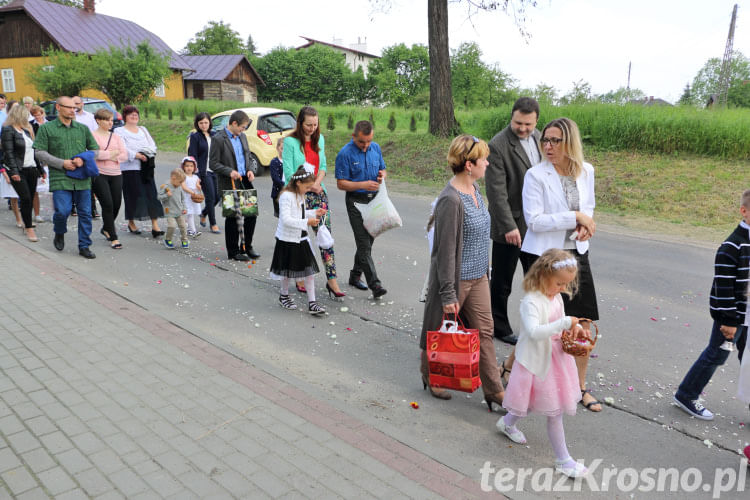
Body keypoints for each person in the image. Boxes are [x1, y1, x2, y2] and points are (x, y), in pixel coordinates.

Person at [516, 117, 601, 413]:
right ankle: (511, 368)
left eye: (556, 141)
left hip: (576, 252)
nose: (549, 146)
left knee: (582, 320)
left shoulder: (586, 171)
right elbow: (535, 221)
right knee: (543, 323)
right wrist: (575, 217)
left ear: (570, 143)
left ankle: (579, 387)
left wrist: (584, 226)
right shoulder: (535, 175)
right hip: (544, 256)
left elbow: (587, 207)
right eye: (545, 141)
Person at [419, 134, 505, 409]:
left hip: (479, 276)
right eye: (484, 159)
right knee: (439, 329)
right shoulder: (451, 200)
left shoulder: (475, 191)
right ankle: (432, 376)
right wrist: (447, 294)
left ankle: (494, 391)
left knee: (485, 332)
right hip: (455, 280)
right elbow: (445, 251)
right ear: (469, 165)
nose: (488, 164)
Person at [496, 249, 589, 478]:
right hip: (535, 360)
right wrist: (564, 323)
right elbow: (534, 332)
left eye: (564, 284)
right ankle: (563, 460)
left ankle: (506, 423)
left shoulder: (555, 297)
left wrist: (574, 328)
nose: (561, 288)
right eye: (558, 283)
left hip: (555, 358)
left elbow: (561, 322)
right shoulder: (531, 301)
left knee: (531, 402)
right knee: (549, 409)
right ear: (542, 276)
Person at [674, 189, 750, 420]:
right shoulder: (732, 245)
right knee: (716, 354)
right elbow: (723, 286)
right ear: (744, 211)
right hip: (733, 316)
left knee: (748, 359)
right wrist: (728, 321)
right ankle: (686, 395)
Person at [486, 97, 542, 346]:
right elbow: (496, 192)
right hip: (509, 226)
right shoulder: (498, 145)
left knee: (539, 279)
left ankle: (538, 325)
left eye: (528, 124)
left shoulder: (542, 138)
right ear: (512, 117)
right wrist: (509, 226)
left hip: (537, 225)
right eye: (519, 123)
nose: (523, 129)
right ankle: (499, 326)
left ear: (536, 121)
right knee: (502, 282)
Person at [284, 106, 344, 298]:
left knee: (325, 237)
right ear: (300, 123)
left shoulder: (320, 139)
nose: (312, 128)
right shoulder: (290, 142)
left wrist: (317, 184)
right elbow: (289, 173)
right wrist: (309, 186)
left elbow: (324, 166)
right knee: (299, 239)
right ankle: (299, 276)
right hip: (298, 195)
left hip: (319, 193)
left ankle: (332, 280)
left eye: (315, 124)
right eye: (308, 125)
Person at [33, 96, 99, 259]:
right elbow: (39, 152)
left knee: (85, 213)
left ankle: (84, 245)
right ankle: (59, 231)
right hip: (60, 177)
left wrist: (83, 158)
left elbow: (95, 150)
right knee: (62, 211)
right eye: (69, 107)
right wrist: (62, 163)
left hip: (82, 177)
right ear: (58, 108)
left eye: (75, 107)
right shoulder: (47, 128)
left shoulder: (82, 128)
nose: (72, 110)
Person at [335, 120, 387, 297]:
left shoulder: (376, 148)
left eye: (369, 141)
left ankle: (355, 276)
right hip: (355, 202)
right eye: (361, 142)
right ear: (353, 136)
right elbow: (341, 184)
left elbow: (383, 168)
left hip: (374, 201)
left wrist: (382, 175)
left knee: (368, 242)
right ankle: (376, 285)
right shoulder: (345, 154)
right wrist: (362, 184)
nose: (365, 146)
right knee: (364, 243)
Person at [270, 165, 327, 315]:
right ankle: (284, 295)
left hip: (301, 237)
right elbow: (286, 219)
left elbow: (300, 213)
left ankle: (312, 302)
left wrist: (314, 212)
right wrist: (307, 222)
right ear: (298, 183)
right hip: (287, 239)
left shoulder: (300, 195)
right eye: (307, 187)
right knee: (287, 270)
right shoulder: (286, 196)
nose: (309, 190)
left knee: (309, 271)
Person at [209, 109, 259, 261]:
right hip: (229, 181)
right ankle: (233, 250)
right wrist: (229, 171)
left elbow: (248, 155)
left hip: (244, 179)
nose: (243, 130)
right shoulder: (219, 139)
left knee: (251, 214)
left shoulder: (242, 136)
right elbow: (213, 163)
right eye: (242, 127)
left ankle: (247, 246)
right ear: (234, 123)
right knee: (232, 217)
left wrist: (250, 169)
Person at [115, 105, 164, 238]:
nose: (134, 116)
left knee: (151, 195)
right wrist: (136, 155)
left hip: (146, 167)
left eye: (136, 114)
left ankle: (155, 226)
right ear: (125, 116)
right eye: (131, 114)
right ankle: (131, 221)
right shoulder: (119, 131)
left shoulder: (143, 129)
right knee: (133, 196)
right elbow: (121, 148)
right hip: (129, 168)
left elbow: (152, 145)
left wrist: (147, 153)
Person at [1, 105, 41, 241]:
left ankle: (27, 221)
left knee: (29, 198)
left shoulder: (26, 130)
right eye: (26, 114)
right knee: (25, 198)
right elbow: (9, 153)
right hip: (18, 170)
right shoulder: (8, 130)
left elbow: (33, 151)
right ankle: (29, 228)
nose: (28, 117)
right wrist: (13, 171)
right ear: (19, 115)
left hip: (32, 169)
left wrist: (40, 169)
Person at [91, 108, 127, 250]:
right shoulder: (93, 135)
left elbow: (124, 155)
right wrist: (111, 154)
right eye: (107, 120)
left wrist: (108, 155)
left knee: (117, 204)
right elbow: (94, 154)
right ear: (98, 121)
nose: (110, 123)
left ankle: (106, 227)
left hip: (116, 173)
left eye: (111, 120)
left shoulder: (116, 136)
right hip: (99, 173)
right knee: (107, 204)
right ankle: (113, 237)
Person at [188, 112, 220, 234]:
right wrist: (196, 175)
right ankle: (213, 224)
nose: (204, 125)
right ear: (197, 124)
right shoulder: (195, 137)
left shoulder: (214, 135)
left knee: (218, 197)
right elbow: (193, 156)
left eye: (206, 122)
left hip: (215, 170)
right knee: (210, 198)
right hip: (203, 172)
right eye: (201, 123)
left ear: (210, 123)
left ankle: (204, 213)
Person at [157, 168, 189, 249]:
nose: (181, 184)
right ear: (173, 178)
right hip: (169, 211)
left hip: (179, 210)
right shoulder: (165, 187)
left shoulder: (179, 187)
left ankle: (184, 240)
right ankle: (168, 239)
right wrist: (167, 195)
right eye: (180, 182)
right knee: (172, 226)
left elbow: (182, 199)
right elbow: (159, 197)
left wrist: (184, 208)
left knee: (183, 226)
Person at [30, 105, 48, 224]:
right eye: (35, 115)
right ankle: (37, 214)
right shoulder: (31, 125)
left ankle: (56, 212)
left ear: (43, 113)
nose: (37, 117)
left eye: (39, 114)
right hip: (37, 155)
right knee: (35, 188)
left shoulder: (50, 123)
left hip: (50, 155)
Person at [180, 156, 202, 237]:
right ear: (183, 167)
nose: (189, 168)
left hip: (193, 198)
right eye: (187, 166)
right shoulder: (183, 176)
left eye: (191, 166)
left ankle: (189, 229)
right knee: (189, 214)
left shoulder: (196, 177)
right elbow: (184, 187)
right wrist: (191, 192)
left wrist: (198, 186)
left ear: (194, 167)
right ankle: (193, 231)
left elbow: (198, 188)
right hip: (186, 197)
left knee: (190, 213)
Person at [269, 139, 284, 218]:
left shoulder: (291, 161)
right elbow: (275, 178)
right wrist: (287, 186)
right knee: (281, 217)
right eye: (282, 148)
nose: (284, 151)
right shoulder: (274, 162)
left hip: (291, 192)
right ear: (278, 148)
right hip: (278, 193)